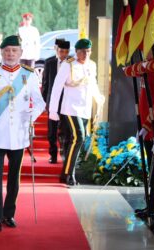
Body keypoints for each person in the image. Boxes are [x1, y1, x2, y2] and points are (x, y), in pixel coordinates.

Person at [0, 35, 45, 232]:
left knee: (14, 178)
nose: (10, 54)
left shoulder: (29, 74)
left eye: (14, 50)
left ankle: (8, 214)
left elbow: (40, 102)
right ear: (1, 53)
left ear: (20, 53)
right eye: (7, 51)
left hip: (19, 135)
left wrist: (32, 115)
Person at [49, 38, 105, 185]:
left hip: (85, 108)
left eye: (88, 51)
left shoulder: (92, 65)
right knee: (79, 137)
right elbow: (56, 87)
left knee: (73, 140)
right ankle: (69, 173)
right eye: (82, 51)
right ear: (76, 52)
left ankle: (65, 173)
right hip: (70, 108)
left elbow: (93, 84)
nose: (85, 54)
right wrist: (53, 111)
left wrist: (98, 98)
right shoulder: (68, 65)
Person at [42, 40, 70, 164]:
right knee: (52, 131)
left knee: (65, 129)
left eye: (66, 52)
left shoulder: (72, 62)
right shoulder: (49, 62)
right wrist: (44, 102)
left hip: (66, 101)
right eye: (61, 51)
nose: (63, 54)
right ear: (56, 50)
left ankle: (64, 153)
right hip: (52, 101)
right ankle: (53, 154)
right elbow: (45, 83)